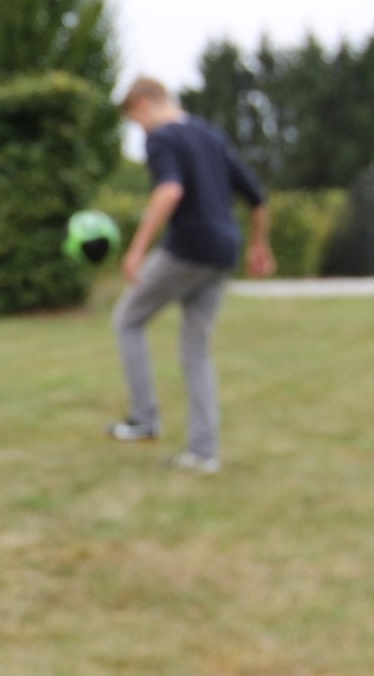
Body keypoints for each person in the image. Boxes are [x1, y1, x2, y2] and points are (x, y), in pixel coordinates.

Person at [109, 76, 276, 473]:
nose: (140, 129)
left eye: (135, 121)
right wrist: (259, 246)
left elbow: (169, 191)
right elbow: (257, 197)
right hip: (223, 251)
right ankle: (203, 452)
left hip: (188, 248)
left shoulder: (162, 138)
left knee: (127, 320)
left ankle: (144, 420)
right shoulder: (210, 136)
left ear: (144, 104)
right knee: (196, 351)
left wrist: (137, 250)